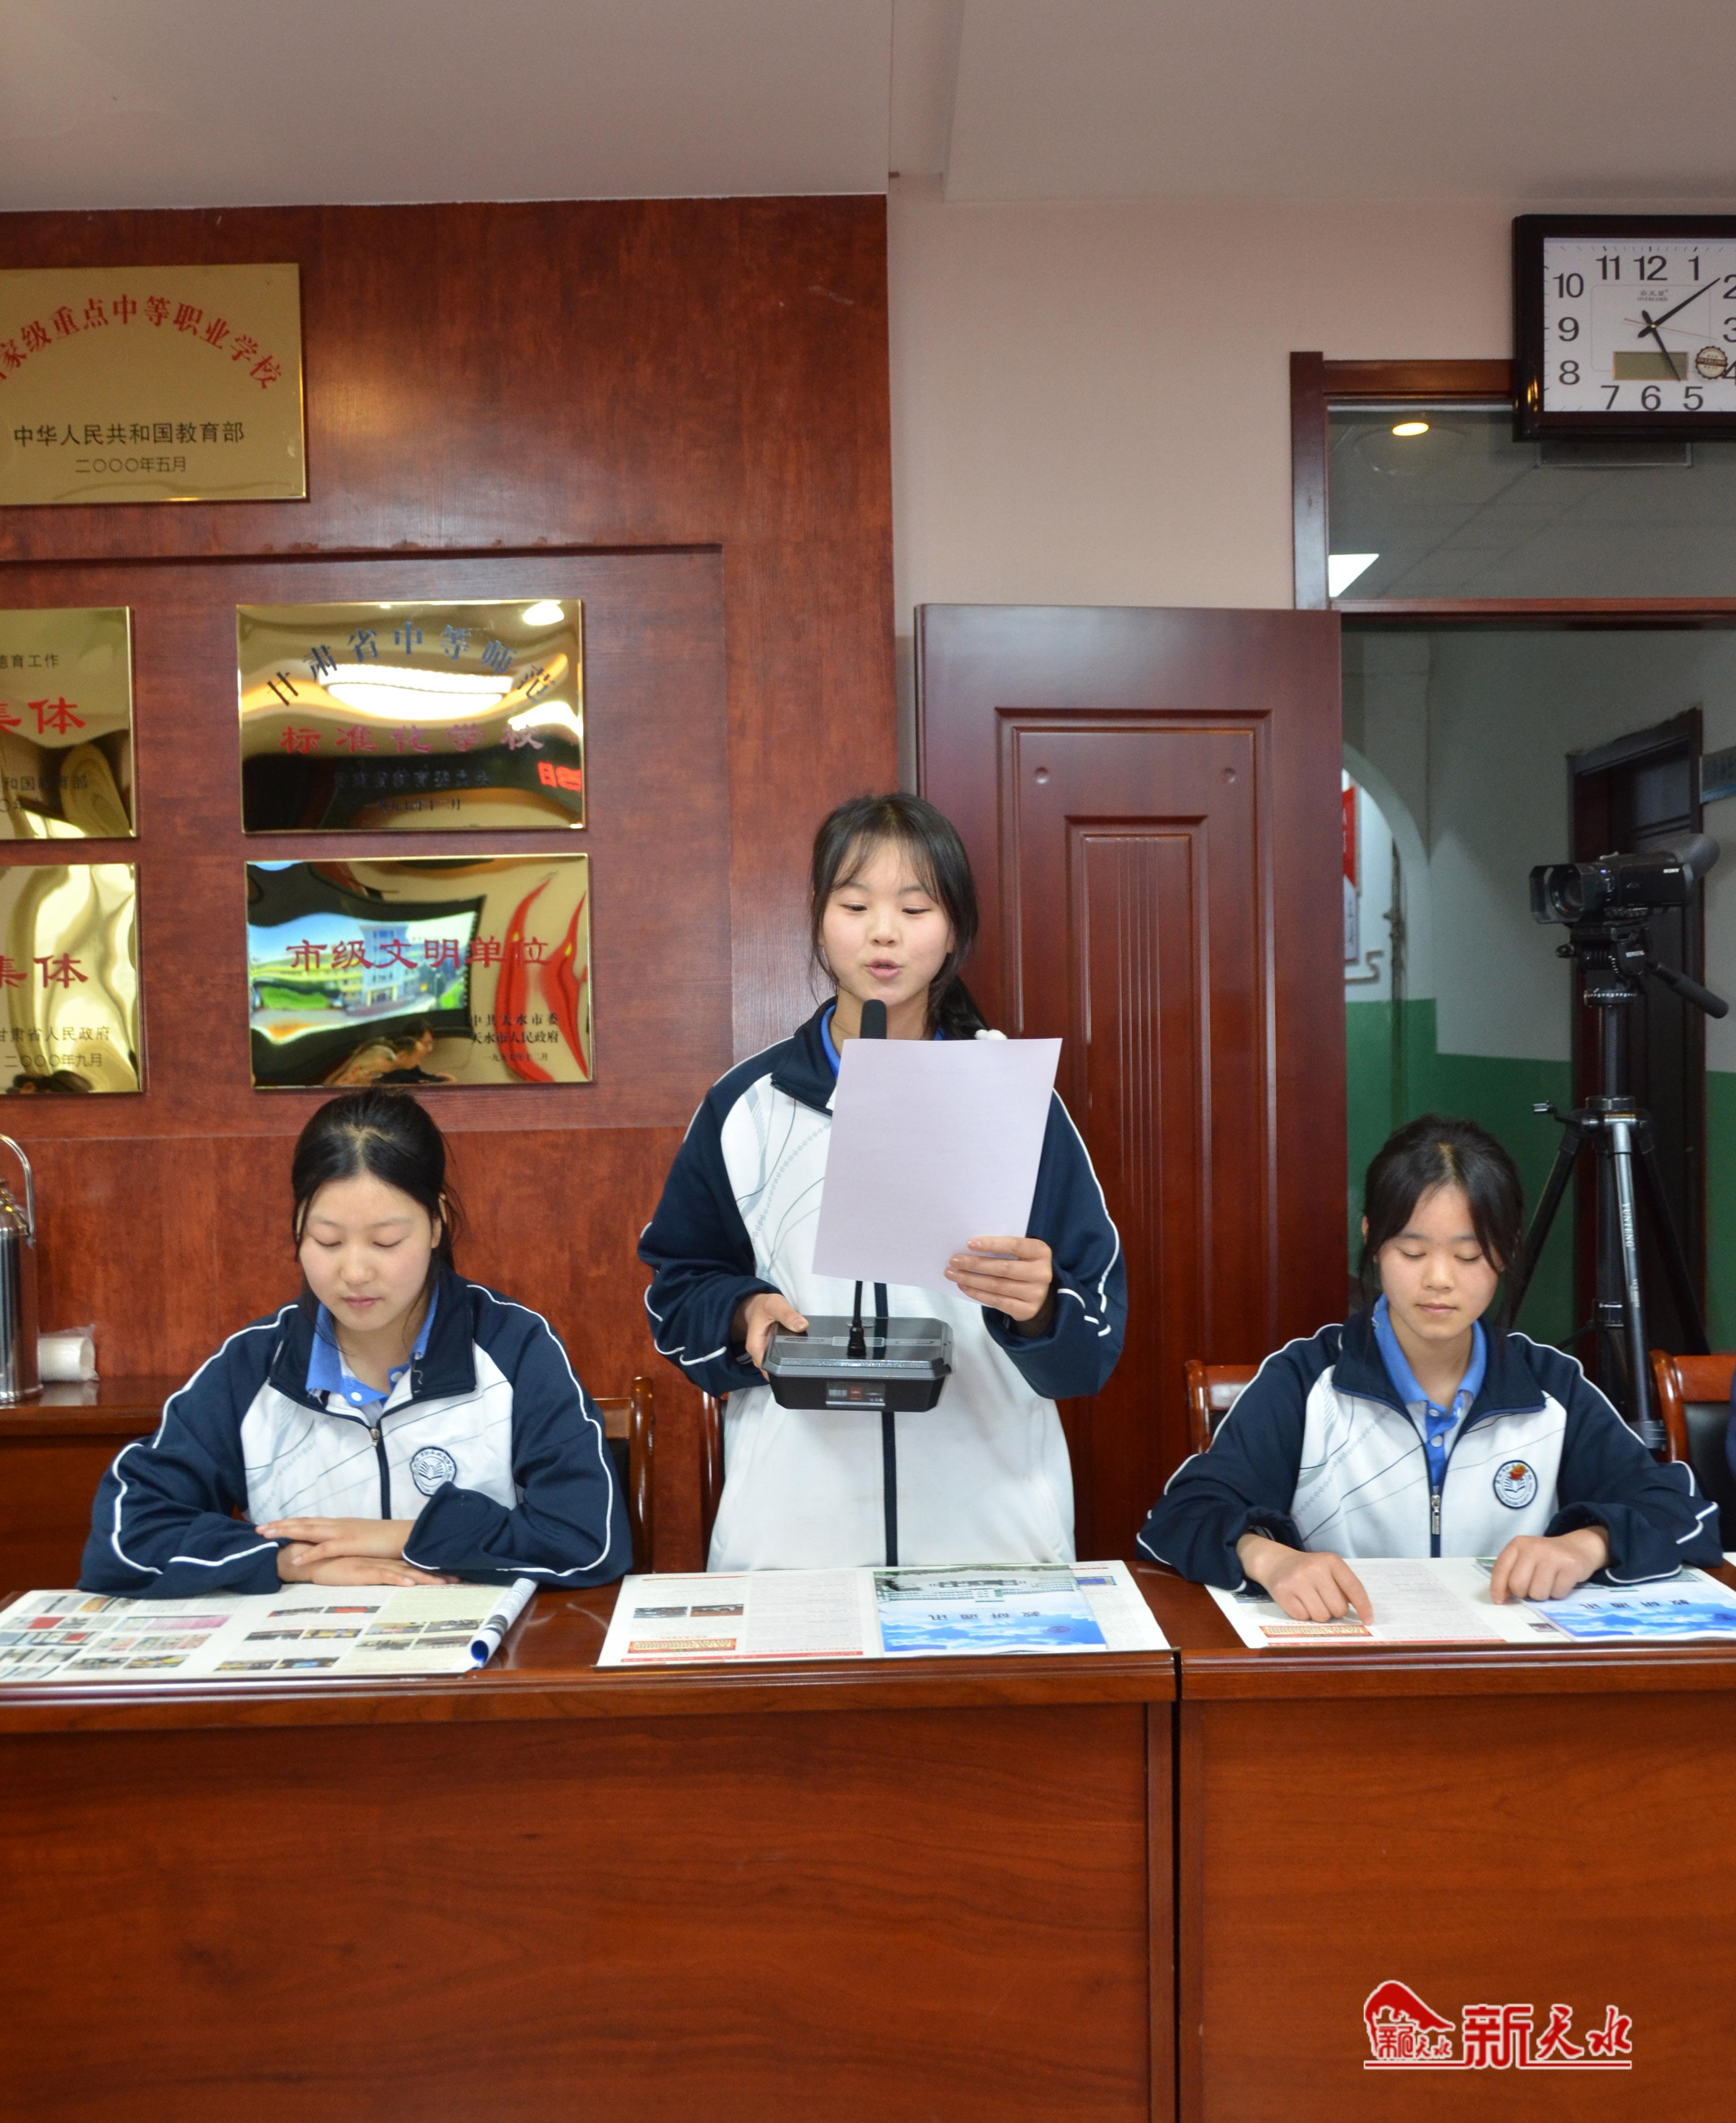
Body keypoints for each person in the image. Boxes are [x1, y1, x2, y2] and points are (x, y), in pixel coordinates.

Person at [639, 790, 1125, 1570]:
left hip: (994, 1540)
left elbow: (1093, 1339)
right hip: (791, 1539)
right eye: (856, 904)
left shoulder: (1017, 1101)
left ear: (955, 927)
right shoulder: (747, 1106)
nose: (884, 932)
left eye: (916, 907)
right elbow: (677, 1289)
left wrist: (1041, 1309)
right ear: (818, 920)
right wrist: (743, 1311)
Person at [1137, 1113, 1721, 1617]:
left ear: (1507, 1251)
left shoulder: (1549, 1385)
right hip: (1344, 1669)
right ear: (1372, 1241)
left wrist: (1586, 1545)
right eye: (1412, 1251)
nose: (1439, 1279)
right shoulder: (1306, 1379)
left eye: (1469, 1255)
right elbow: (1180, 1517)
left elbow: (1683, 1515)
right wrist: (1269, 1557)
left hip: (1509, 1674)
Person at [81, 1088, 627, 1597]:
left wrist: (399, 1537)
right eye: (328, 1241)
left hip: (478, 1657)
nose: (356, 1272)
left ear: (437, 1224)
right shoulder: (255, 1366)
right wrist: (284, 1560)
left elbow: (587, 1540)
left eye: (387, 1241)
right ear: (298, 1226)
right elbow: (126, 1533)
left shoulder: (515, 1348)